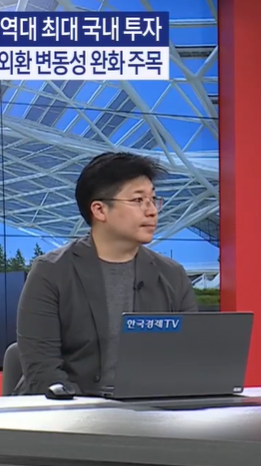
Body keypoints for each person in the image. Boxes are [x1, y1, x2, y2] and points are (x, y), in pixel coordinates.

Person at [13, 152, 198, 395]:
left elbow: (190, 360)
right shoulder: (50, 272)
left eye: (153, 199)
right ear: (99, 210)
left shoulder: (172, 275)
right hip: (67, 412)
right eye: (138, 200)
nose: (152, 211)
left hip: (151, 411)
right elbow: (42, 372)